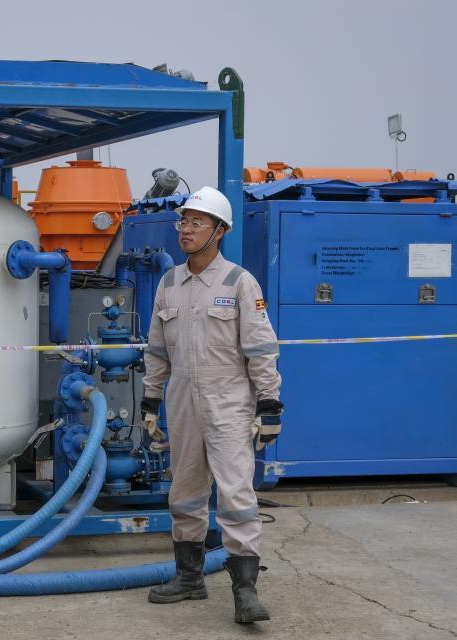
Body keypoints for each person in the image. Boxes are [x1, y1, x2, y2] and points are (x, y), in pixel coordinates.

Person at [141, 186, 283, 624]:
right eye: (183, 221)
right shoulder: (168, 283)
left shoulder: (240, 282)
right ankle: (189, 578)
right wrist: (150, 401)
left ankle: (245, 592)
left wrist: (270, 404)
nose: (185, 229)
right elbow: (157, 350)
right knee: (185, 492)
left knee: (236, 494)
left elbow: (260, 349)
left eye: (196, 222)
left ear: (219, 231)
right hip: (182, 401)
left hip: (228, 403)